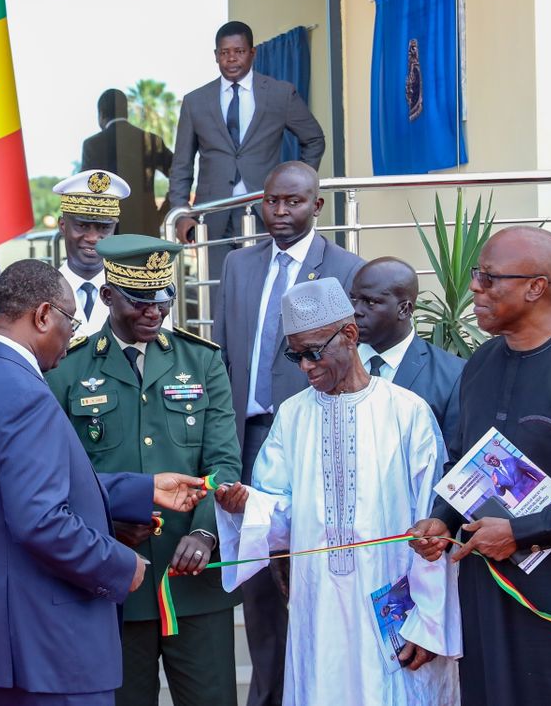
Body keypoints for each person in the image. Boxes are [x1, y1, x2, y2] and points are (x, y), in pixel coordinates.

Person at [0, 259, 208, 705]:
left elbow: (12, 486)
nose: (72, 334)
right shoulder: (25, 393)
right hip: (45, 644)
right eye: (70, 320)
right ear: (43, 316)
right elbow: (40, 520)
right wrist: (119, 565)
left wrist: (142, 490)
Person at [410, 226, 551, 706]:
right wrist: (442, 517)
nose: (476, 286)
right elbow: (464, 462)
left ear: (537, 287)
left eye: (491, 277)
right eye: (477, 274)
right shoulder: (480, 365)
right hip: (489, 601)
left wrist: (525, 530)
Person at [214, 277, 460, 706]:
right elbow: (280, 512)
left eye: (313, 352)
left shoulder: (406, 413)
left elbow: (433, 527)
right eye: (296, 356)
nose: (306, 367)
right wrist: (245, 505)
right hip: (319, 606)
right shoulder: (292, 416)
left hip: (395, 609)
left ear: (349, 335)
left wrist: (431, 624)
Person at [46, 236, 241, 706]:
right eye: (140, 301)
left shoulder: (202, 360)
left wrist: (206, 534)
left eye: (164, 299)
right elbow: (58, 475)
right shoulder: (67, 370)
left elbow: (223, 461)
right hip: (112, 578)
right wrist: (104, 524)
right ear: (109, 295)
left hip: (193, 579)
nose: (154, 312)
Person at [211, 160, 363, 706]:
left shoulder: (346, 268)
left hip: (313, 433)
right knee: (258, 578)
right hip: (247, 436)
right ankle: (269, 696)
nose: (280, 212)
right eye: (271, 201)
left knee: (316, 569)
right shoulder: (237, 265)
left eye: (293, 202)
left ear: (316, 205)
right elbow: (225, 351)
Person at [169, 21, 325, 275]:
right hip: (213, 216)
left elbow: (314, 139)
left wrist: (298, 187)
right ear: (216, 56)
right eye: (224, 52)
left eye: (239, 51)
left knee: (267, 288)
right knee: (219, 294)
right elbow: (181, 163)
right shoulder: (195, 102)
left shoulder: (279, 94)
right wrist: (181, 211)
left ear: (252, 53)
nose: (231, 58)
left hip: (268, 211)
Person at [350, 257, 464, 446]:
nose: (356, 310)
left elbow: (452, 455)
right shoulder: (328, 364)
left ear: (404, 309)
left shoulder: (452, 375)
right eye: (353, 299)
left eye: (370, 302)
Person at [81, 90, 174, 237]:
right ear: (126, 112)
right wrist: (162, 213)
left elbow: (86, 191)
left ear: (101, 114)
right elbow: (179, 174)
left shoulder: (92, 145)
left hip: (107, 233)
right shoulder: (151, 140)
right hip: (147, 230)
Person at [52, 170, 131, 339]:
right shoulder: (42, 293)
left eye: (103, 228)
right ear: (63, 226)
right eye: (82, 226)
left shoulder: (133, 293)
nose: (93, 238)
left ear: (114, 230)